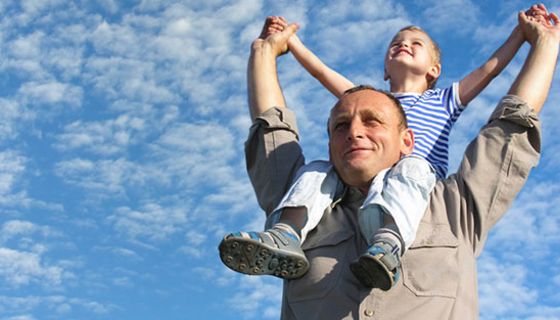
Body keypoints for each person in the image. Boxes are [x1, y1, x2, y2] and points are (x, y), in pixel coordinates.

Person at [222, 5, 559, 319]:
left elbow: (510, 122)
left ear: (405, 138)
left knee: (411, 168)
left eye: (372, 122)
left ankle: (389, 241)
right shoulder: (302, 195)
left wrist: (536, 41)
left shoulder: (455, 207)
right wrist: (272, 49)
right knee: (316, 170)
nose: (355, 132)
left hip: (420, 180)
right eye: (341, 125)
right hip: (319, 198)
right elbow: (273, 125)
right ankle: (284, 234)